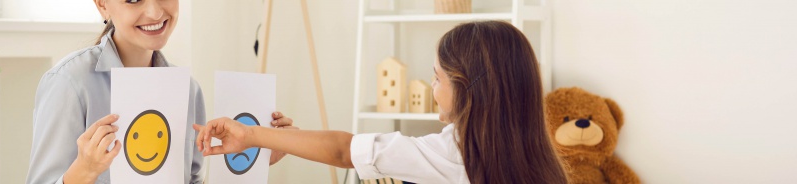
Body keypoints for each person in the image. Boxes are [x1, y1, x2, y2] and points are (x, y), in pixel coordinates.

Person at [193, 20, 568, 184]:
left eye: (437, 77)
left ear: (469, 89)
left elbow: (345, 151)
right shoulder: (538, 159)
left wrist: (253, 135)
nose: (432, 86)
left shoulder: (456, 153)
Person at [25, 0, 292, 183]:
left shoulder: (188, 90)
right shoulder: (69, 83)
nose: (154, 12)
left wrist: (250, 162)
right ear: (102, 4)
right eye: (133, 0)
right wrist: (83, 172)